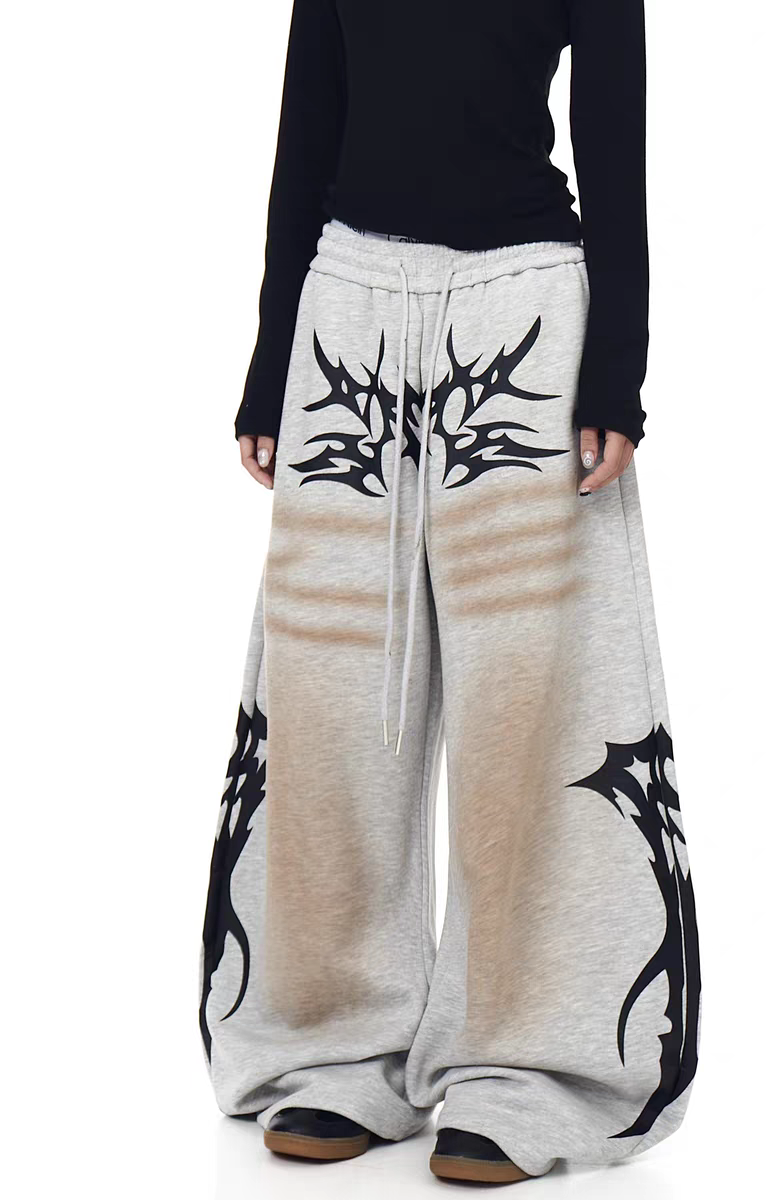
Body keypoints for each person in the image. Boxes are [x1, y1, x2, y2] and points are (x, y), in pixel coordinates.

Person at [199, 0, 700, 1183]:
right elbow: (308, 124)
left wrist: (615, 374)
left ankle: (528, 1063)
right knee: (328, 702)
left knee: (532, 712)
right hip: (345, 313)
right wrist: (272, 363)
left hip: (524, 313)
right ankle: (333, 1045)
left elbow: (614, 136)